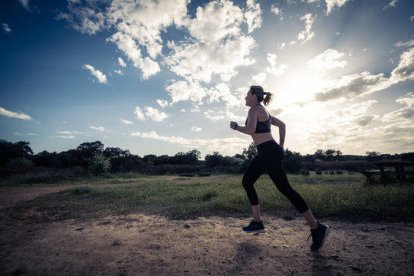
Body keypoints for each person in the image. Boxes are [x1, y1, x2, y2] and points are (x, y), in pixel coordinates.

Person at [229, 85, 330, 252]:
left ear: (254, 96)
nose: (245, 97)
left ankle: (317, 227)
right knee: (247, 181)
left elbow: (250, 130)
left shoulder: (254, 110)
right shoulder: (263, 111)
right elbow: (282, 125)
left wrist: (236, 127)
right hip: (266, 151)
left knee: (285, 189)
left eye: (247, 94)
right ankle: (257, 222)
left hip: (268, 151)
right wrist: (281, 147)